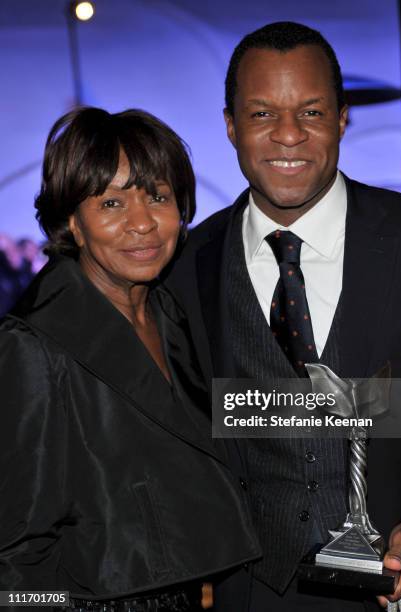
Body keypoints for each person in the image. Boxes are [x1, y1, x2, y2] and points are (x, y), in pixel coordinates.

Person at [164, 21, 401, 612]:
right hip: (249, 595)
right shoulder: (183, 271)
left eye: (312, 113)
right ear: (230, 126)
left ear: (343, 118)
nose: (288, 136)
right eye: (260, 115)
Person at [0, 107, 260, 610]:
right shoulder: (32, 345)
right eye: (112, 202)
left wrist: (392, 406)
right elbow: (12, 558)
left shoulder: (173, 314)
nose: (142, 222)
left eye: (157, 196)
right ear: (73, 222)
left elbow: (236, 414)